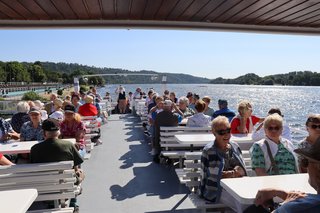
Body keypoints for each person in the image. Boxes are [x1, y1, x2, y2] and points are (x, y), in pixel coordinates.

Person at [252, 137, 320, 213]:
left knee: (253, 209)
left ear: (318, 173)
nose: (306, 168)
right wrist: (281, 193)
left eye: (305, 162)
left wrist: (285, 204)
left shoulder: (293, 209)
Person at [30, 119, 84, 211]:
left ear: (44, 133)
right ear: (58, 132)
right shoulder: (68, 145)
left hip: (44, 188)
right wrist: (79, 172)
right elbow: (76, 167)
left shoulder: (35, 149)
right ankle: (73, 204)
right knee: (80, 172)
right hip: (65, 186)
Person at [200, 116, 247, 212]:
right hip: (217, 190)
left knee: (256, 200)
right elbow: (214, 176)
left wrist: (234, 172)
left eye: (228, 131)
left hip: (238, 186)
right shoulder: (209, 150)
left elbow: (242, 170)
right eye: (221, 132)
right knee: (243, 205)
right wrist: (234, 173)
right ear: (214, 133)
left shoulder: (234, 146)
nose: (226, 135)